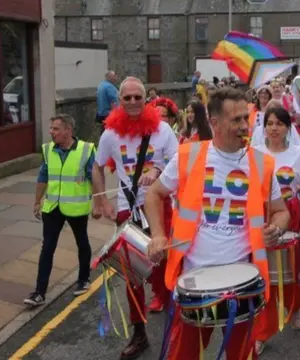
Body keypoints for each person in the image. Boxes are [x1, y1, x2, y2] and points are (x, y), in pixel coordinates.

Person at [144, 87, 290, 360]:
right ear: (214, 122)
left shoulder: (262, 164)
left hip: (244, 280)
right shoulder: (188, 155)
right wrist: (158, 235)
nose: (244, 126)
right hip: (193, 279)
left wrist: (277, 229)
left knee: (242, 355)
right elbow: (154, 194)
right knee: (183, 355)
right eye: (236, 120)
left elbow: (281, 212)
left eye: (245, 118)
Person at [92, 77, 178, 360]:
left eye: (136, 97)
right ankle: (139, 333)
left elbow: (180, 166)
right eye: (126, 98)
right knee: (132, 277)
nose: (131, 102)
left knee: (163, 268)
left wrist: (157, 172)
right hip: (127, 212)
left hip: (158, 209)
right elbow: (97, 167)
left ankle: (175, 321)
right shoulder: (110, 134)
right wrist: (101, 199)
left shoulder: (163, 130)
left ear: (146, 99)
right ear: (119, 101)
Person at [252, 107, 300, 355]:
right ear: (264, 127)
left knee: (291, 269)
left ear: (288, 127)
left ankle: (295, 307)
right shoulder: (255, 154)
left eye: (279, 123)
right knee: (264, 273)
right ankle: (262, 332)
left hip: (290, 214)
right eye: (270, 123)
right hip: (263, 216)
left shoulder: (297, 153)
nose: (274, 128)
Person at [24, 114, 97, 307]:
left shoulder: (86, 150)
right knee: (47, 247)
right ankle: (39, 293)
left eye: (56, 129)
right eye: (51, 128)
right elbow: (43, 176)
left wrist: (99, 202)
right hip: (53, 206)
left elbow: (95, 177)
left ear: (68, 130)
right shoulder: (48, 150)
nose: (51, 132)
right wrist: (37, 201)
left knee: (82, 242)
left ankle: (84, 279)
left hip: (76, 207)